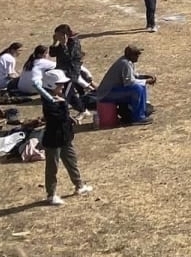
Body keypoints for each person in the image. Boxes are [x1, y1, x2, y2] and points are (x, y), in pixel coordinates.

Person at [40, 70, 92, 206]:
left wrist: (70, 118)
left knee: (71, 161)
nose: (62, 87)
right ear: (51, 85)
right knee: (53, 167)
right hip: (53, 139)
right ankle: (51, 195)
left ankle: (79, 185)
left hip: (65, 137)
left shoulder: (59, 96)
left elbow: (64, 116)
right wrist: (63, 105)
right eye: (59, 84)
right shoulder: (49, 101)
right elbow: (58, 117)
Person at [95, 45, 157, 125]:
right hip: (106, 94)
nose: (138, 56)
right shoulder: (125, 63)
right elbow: (129, 82)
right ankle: (138, 118)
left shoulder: (128, 62)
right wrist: (146, 81)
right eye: (136, 55)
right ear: (130, 55)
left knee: (141, 86)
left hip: (113, 90)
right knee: (137, 89)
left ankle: (142, 111)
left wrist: (145, 77)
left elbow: (133, 76)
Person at [50, 25, 95, 114]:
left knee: (67, 95)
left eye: (58, 35)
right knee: (71, 95)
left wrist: (64, 45)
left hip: (70, 72)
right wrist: (54, 43)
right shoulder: (62, 43)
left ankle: (67, 113)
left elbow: (70, 58)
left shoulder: (74, 43)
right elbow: (52, 54)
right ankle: (83, 110)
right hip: (61, 72)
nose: (57, 37)